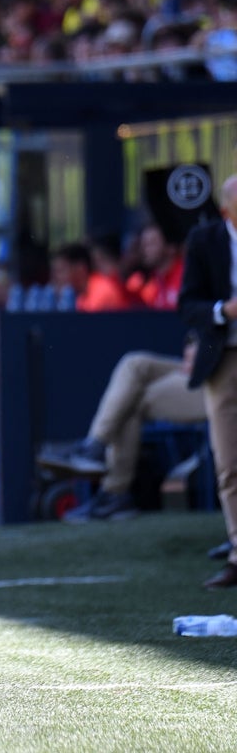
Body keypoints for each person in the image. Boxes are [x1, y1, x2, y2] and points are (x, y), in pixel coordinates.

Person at [36, 343, 207, 522]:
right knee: (134, 363)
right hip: (206, 362)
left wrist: (209, 349)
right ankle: (95, 448)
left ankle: (112, 489)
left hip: (224, 375)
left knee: (131, 400)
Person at [179, 173, 237, 589]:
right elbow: (188, 305)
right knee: (229, 463)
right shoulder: (204, 242)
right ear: (226, 211)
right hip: (224, 359)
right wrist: (224, 310)